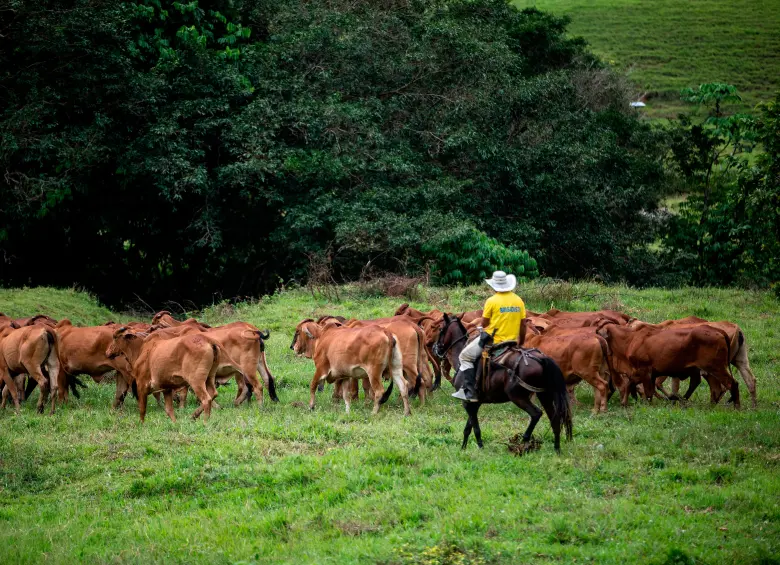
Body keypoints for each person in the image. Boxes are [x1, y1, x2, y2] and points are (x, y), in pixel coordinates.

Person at [452, 270, 526, 402]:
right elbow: (523, 325)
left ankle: (470, 392)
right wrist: (521, 342)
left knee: (465, 356)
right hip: (512, 341)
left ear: (494, 285)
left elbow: (485, 323)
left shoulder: (492, 301)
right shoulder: (518, 300)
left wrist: (482, 325)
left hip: (494, 341)